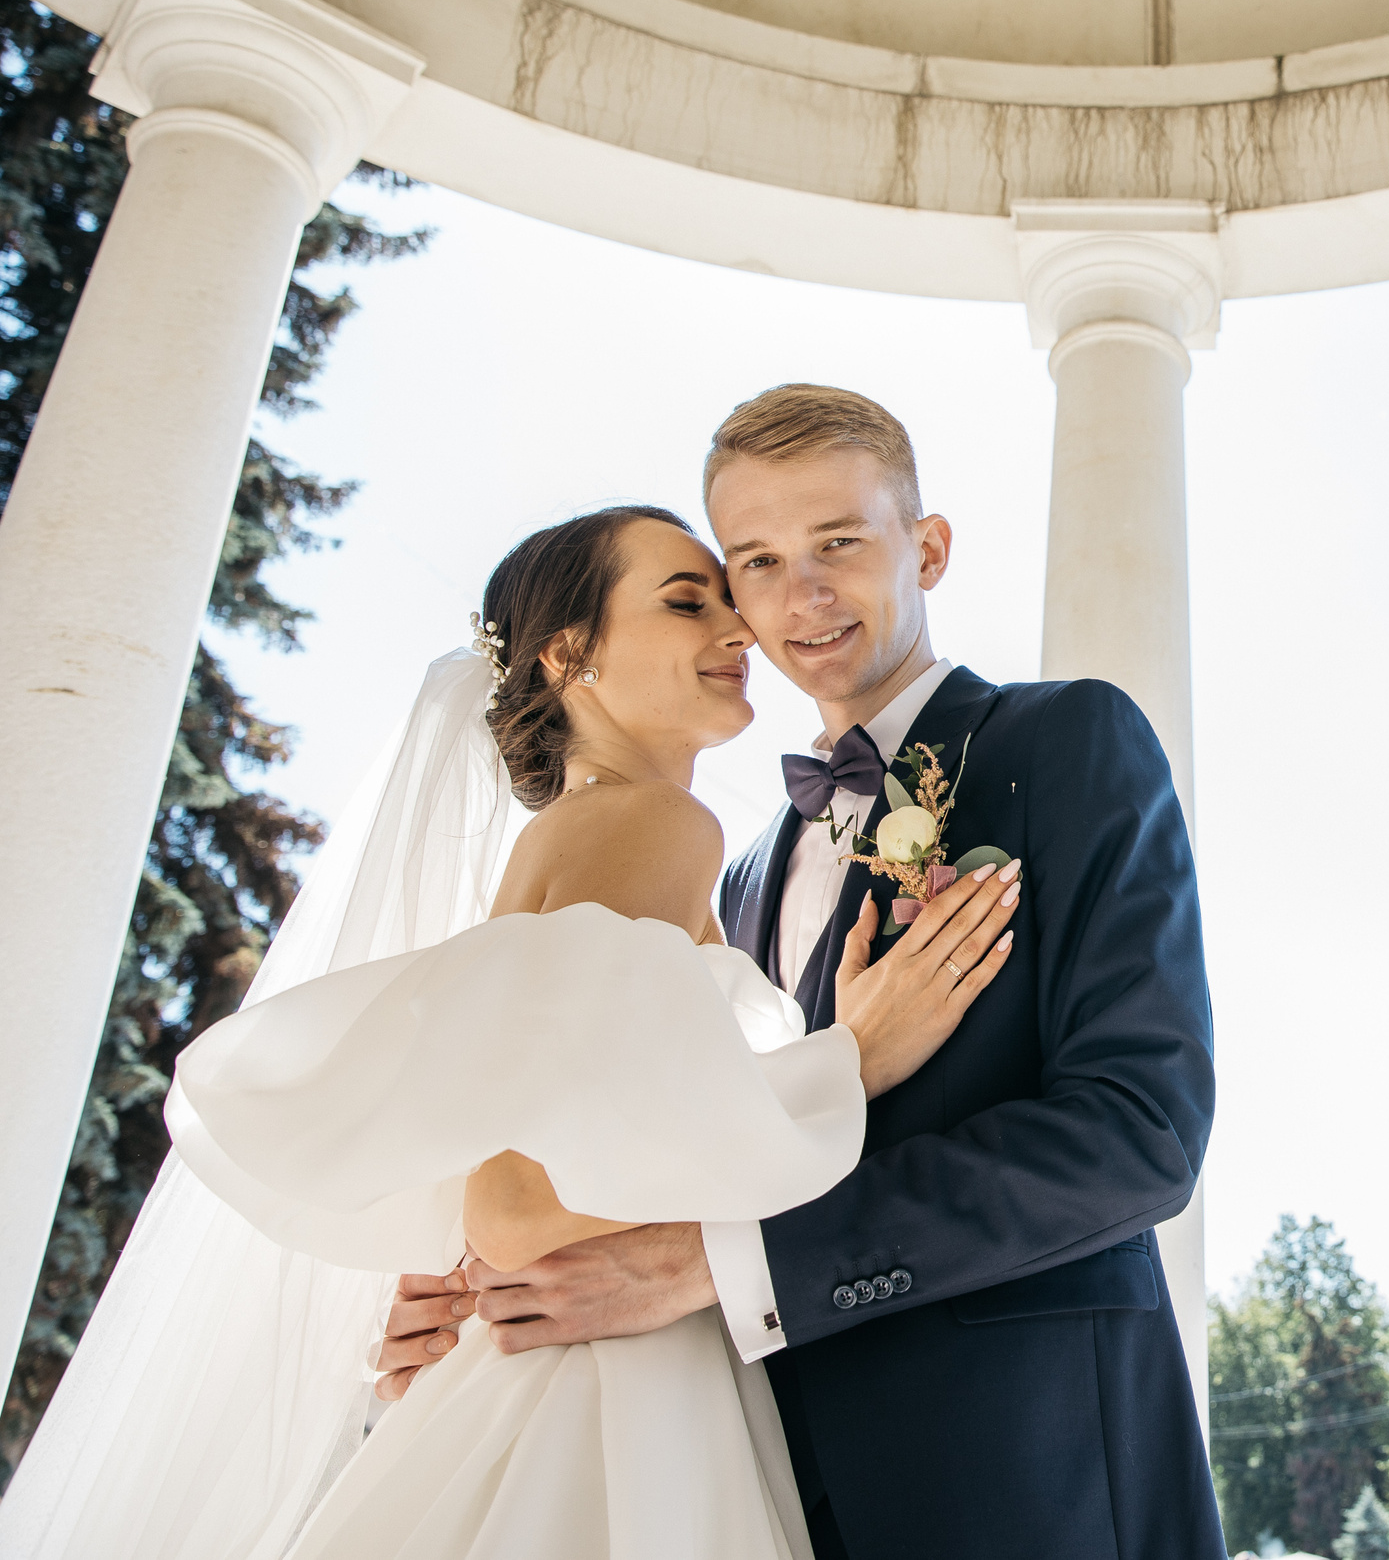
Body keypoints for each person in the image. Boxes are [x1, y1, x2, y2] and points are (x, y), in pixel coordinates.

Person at [0, 505, 1016, 1560]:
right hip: (612, 1411)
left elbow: (515, 1165)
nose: (740, 628)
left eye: (727, 596)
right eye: (687, 601)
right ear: (568, 654)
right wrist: (853, 1060)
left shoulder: (577, 837)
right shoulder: (657, 825)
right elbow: (522, 1207)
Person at [371, 386, 1223, 1558]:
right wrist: (487, 1292)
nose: (799, 597)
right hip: (765, 1479)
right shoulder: (737, 874)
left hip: (1029, 1472)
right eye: (755, 561)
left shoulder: (1066, 742)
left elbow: (1138, 1134)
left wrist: (723, 1267)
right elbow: (662, 1151)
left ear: (925, 548)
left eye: (839, 543)